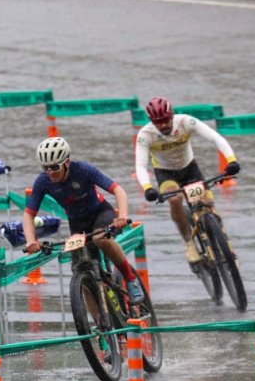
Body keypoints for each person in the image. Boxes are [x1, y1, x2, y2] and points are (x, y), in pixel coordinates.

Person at [22, 136, 146, 305]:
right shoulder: (43, 181)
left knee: (99, 239)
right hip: (77, 224)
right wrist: (31, 241)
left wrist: (122, 216)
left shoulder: (83, 170)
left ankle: (130, 279)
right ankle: (99, 327)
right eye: (45, 168)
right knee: (82, 276)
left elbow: (118, 190)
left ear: (66, 162)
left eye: (54, 167)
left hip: (101, 213)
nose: (50, 172)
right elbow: (29, 214)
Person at [135, 97, 241, 265]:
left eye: (165, 120)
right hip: (166, 173)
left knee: (207, 203)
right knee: (174, 199)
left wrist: (231, 160)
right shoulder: (145, 134)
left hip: (189, 168)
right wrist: (147, 188)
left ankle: (225, 244)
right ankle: (189, 243)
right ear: (151, 121)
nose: (162, 125)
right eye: (157, 122)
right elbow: (140, 166)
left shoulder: (185, 122)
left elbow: (215, 138)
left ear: (172, 115)